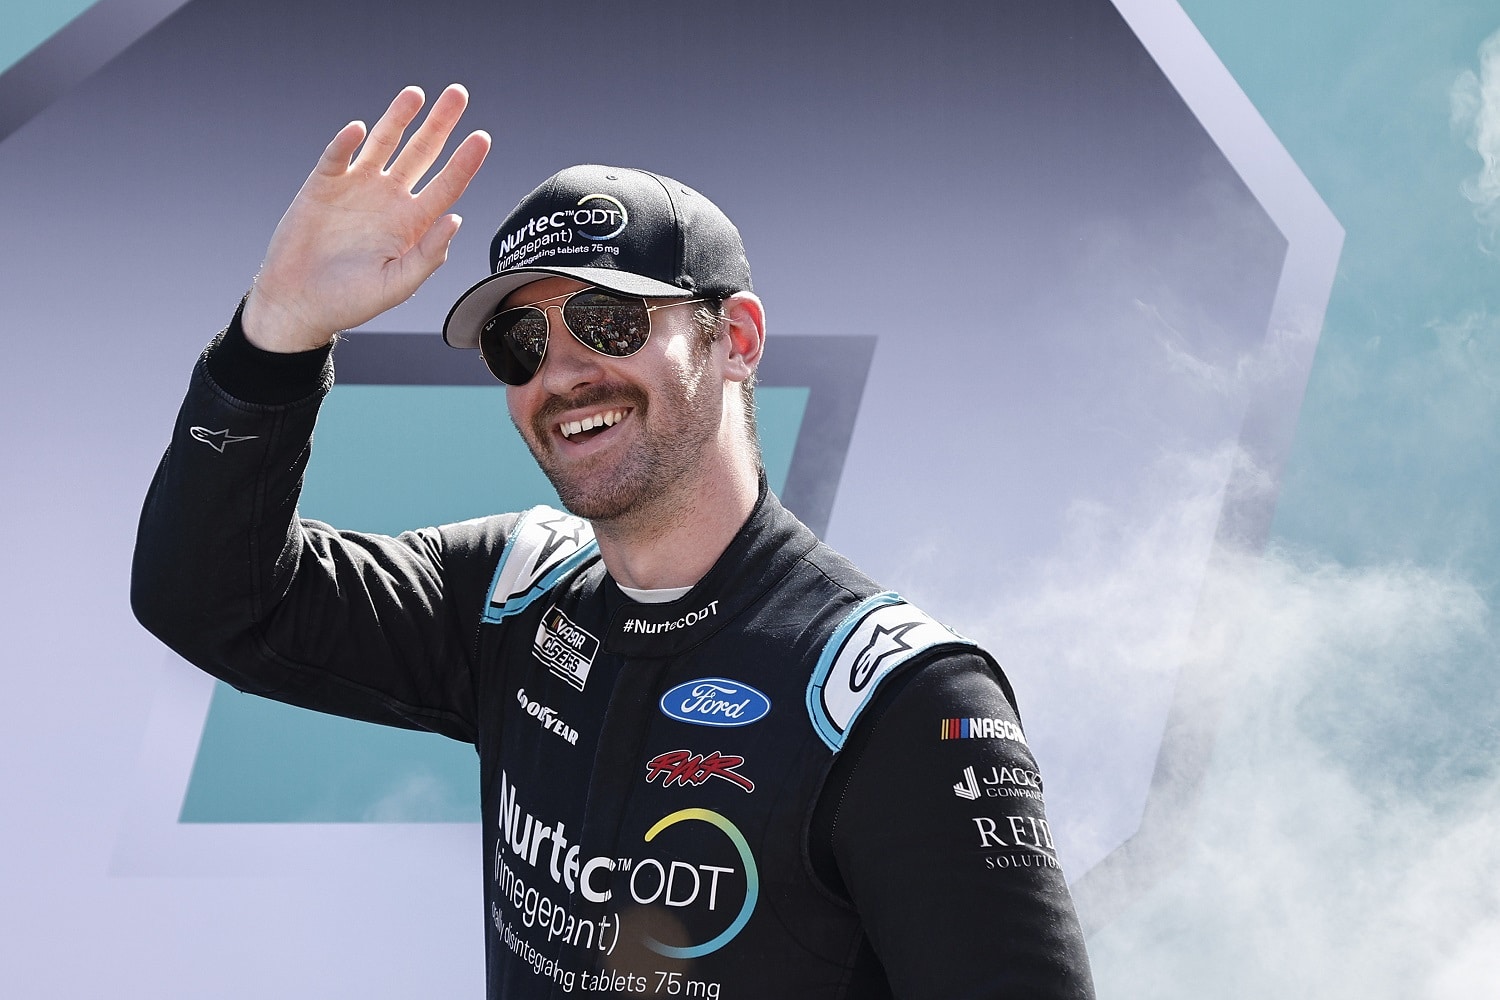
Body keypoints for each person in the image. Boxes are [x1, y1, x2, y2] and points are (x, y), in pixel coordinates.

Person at [132, 84, 1095, 999]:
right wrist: (277, 335)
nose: (561, 373)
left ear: (737, 339)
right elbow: (208, 598)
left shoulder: (899, 700)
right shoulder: (508, 597)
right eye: (520, 345)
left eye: (607, 318)